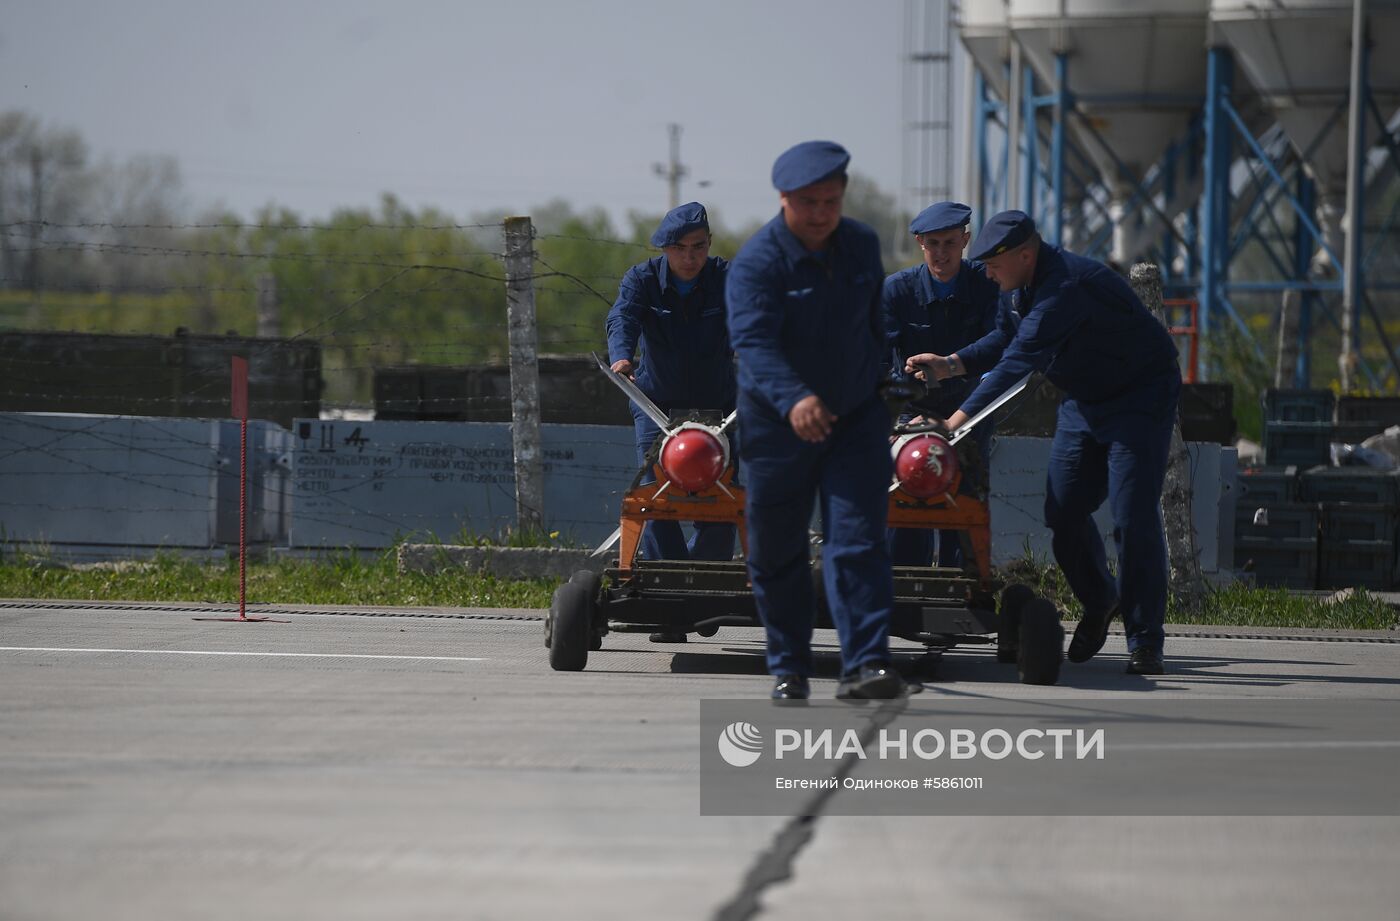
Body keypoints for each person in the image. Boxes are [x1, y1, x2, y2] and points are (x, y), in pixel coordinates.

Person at [915, 210, 1181, 675]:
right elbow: (1004, 338)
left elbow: (1018, 361)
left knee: (1131, 515)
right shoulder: (1015, 287)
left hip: (1139, 399)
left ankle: (1145, 640)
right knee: (1062, 510)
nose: (987, 273)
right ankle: (1101, 599)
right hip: (1084, 399)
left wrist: (951, 423)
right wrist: (951, 363)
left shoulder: (1067, 287)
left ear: (1025, 254)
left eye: (994, 265)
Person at [726, 140, 911, 701]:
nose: (822, 214)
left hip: (854, 420)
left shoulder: (860, 244)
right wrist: (794, 399)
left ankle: (866, 665)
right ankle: (789, 666)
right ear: (784, 199)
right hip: (778, 428)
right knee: (777, 549)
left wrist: (883, 378)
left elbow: (874, 320)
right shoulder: (758, 263)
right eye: (809, 202)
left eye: (831, 201)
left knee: (858, 540)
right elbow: (752, 343)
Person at [606, 202, 737, 643]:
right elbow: (621, 317)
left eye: (698, 247)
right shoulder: (642, 280)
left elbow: (755, 322)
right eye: (680, 248)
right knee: (655, 493)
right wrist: (621, 356)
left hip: (721, 406)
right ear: (665, 249)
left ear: (709, 246)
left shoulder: (727, 279)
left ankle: (705, 589)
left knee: (728, 492)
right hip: (656, 405)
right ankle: (669, 595)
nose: (690, 257)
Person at [882, 201, 1001, 568]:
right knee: (908, 492)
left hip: (970, 408)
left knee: (965, 499)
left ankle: (963, 588)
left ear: (965, 240)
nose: (941, 253)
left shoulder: (988, 285)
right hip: (912, 413)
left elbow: (1000, 350)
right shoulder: (897, 292)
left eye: (949, 243)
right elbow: (878, 361)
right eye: (932, 243)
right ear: (920, 242)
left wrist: (971, 413)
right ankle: (904, 584)